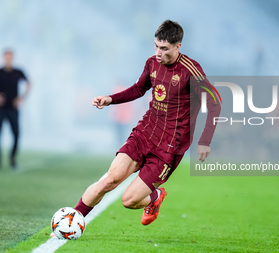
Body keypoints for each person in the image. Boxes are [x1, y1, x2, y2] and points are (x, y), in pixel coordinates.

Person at [74, 20, 221, 227]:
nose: (158, 53)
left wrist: (205, 140)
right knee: (109, 180)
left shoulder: (191, 70)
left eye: (164, 48)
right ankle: (71, 220)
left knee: (129, 200)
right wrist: (110, 99)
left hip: (170, 146)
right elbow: (137, 89)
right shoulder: (152, 63)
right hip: (145, 132)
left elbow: (215, 103)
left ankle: (155, 197)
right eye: (155, 46)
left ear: (178, 47)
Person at [0, 49, 31, 169]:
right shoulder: (0, 72)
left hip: (13, 108)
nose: (8, 59)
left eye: (10, 57)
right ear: (3, 57)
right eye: (6, 57)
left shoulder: (18, 72)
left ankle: (12, 158)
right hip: (1, 108)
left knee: (16, 134)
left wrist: (22, 98)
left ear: (12, 58)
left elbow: (29, 83)